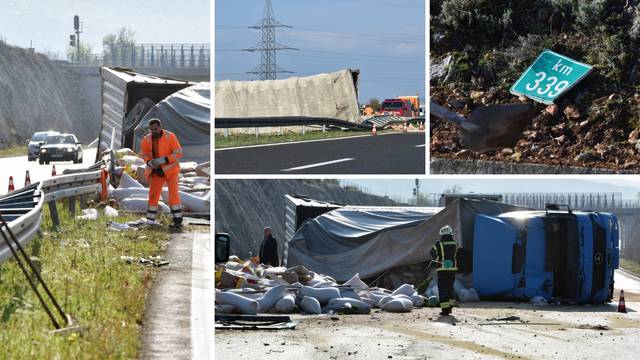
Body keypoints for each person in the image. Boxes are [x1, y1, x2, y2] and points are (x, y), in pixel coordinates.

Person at [139, 118, 184, 228]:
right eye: (151, 129)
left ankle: (177, 221)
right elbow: (144, 153)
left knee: (173, 194)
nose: (154, 131)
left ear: (160, 127)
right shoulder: (147, 139)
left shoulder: (170, 136)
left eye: (155, 129)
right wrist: (149, 162)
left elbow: (178, 153)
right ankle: (150, 220)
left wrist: (164, 160)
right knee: (153, 195)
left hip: (171, 170)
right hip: (156, 171)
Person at [430, 225, 458, 316]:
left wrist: (438, 259)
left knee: (443, 289)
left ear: (442, 234)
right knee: (450, 288)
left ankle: (445, 310)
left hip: (442, 269)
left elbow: (432, 252)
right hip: (452, 269)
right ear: (450, 233)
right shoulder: (455, 243)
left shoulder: (438, 243)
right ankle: (450, 308)